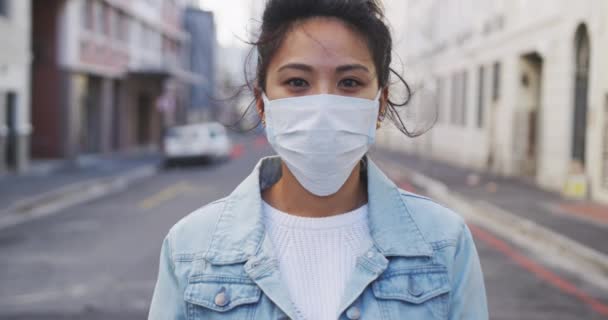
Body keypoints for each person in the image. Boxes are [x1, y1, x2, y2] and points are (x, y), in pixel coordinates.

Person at [148, 0, 488, 319]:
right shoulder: (189, 249)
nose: (323, 107)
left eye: (350, 82)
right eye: (297, 82)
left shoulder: (445, 243)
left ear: (380, 104)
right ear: (263, 103)